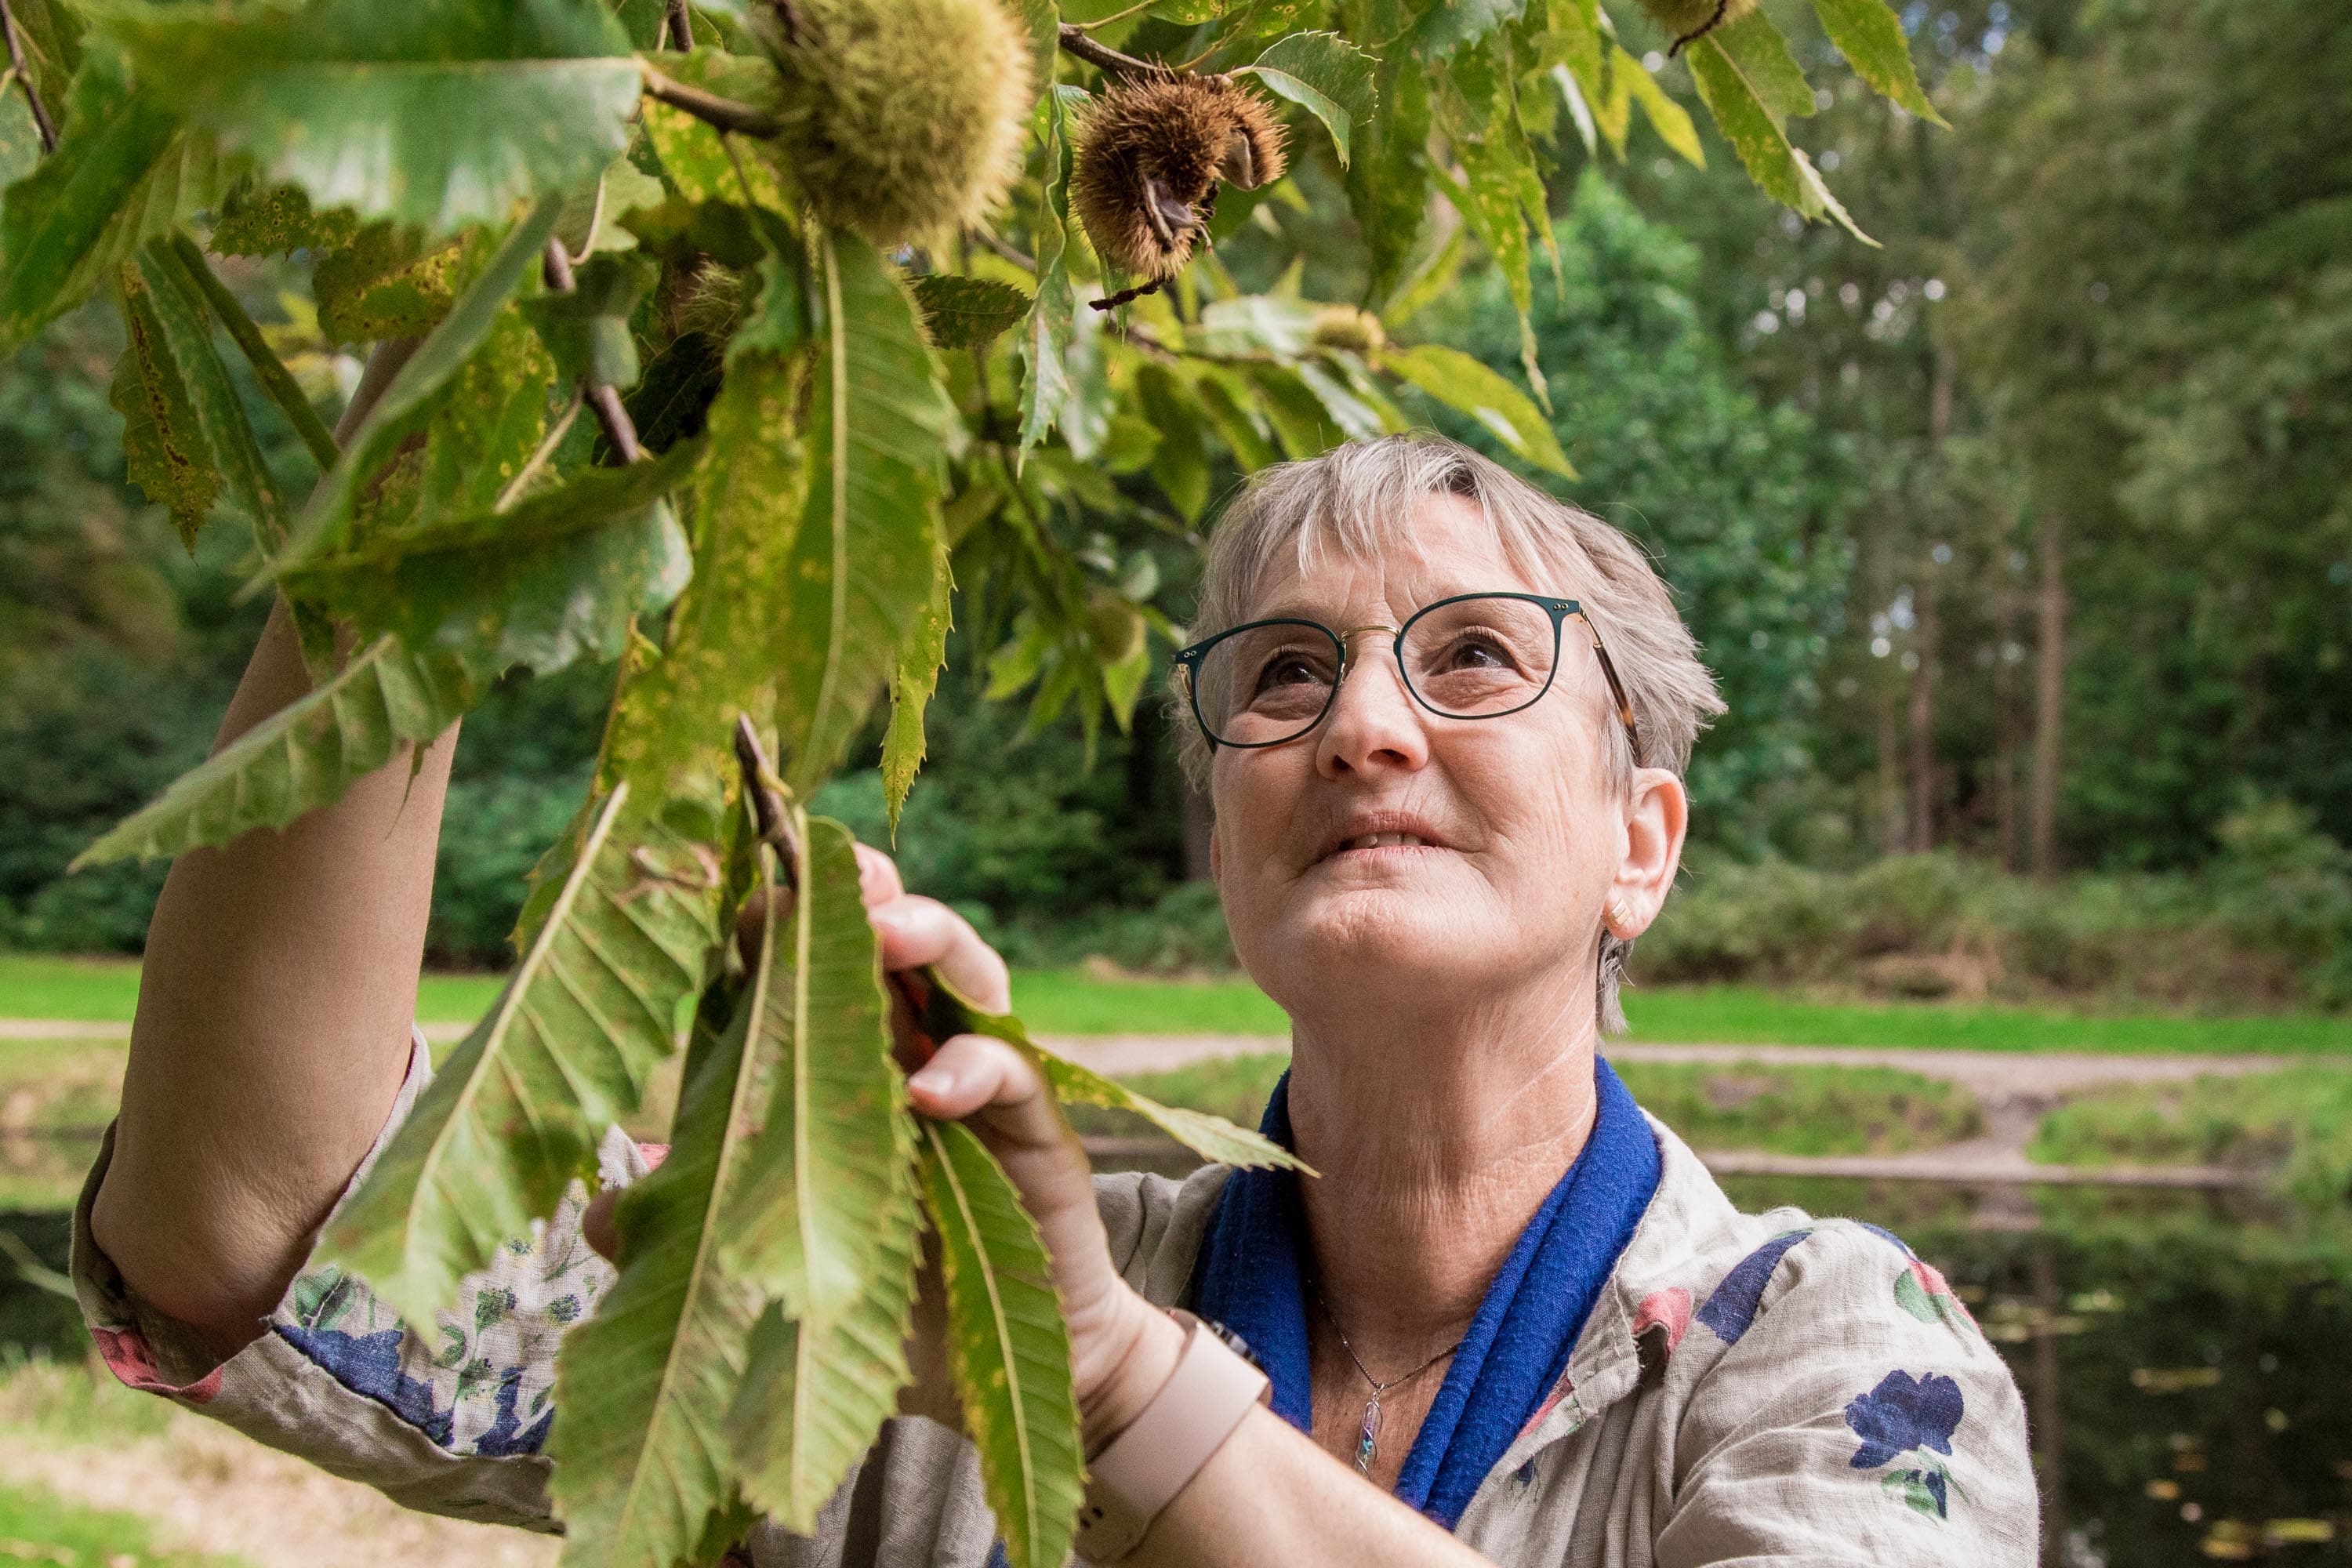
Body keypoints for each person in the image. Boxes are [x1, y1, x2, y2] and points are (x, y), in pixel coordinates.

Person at [72, 434, 2038, 1566]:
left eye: (1470, 657)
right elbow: (250, 1231)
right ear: (1226, 836)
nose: (1359, 722)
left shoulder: (1842, 1350)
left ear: (1643, 840)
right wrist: (456, 471)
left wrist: (1103, 1382)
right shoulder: (953, 1296)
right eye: (1277, 677)